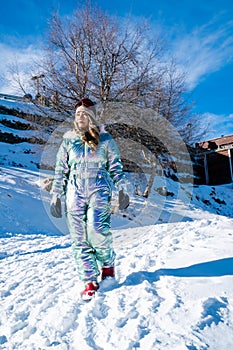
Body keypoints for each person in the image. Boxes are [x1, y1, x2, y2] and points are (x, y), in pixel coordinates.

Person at [50, 98, 130, 301]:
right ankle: (89, 281)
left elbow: (116, 167)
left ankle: (108, 266)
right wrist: (56, 194)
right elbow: (61, 169)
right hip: (74, 191)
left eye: (84, 113)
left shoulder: (106, 140)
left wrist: (122, 188)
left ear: (92, 117)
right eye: (78, 114)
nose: (80, 117)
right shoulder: (68, 140)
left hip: (99, 188)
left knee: (96, 230)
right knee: (79, 237)